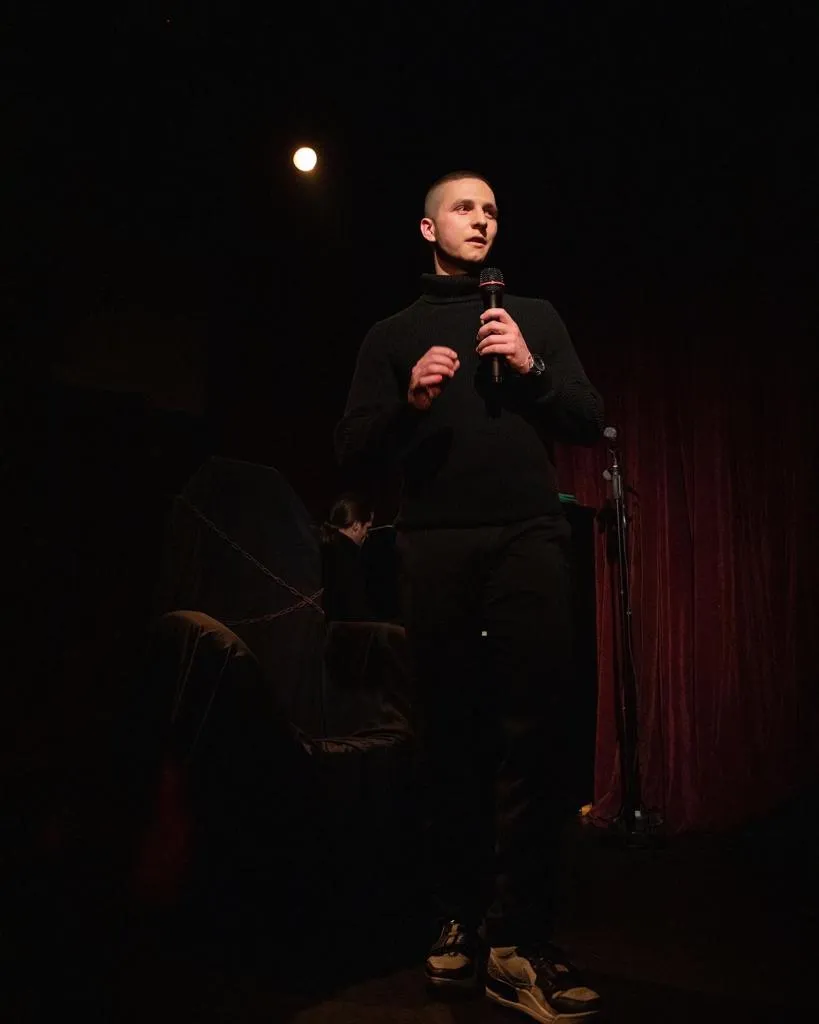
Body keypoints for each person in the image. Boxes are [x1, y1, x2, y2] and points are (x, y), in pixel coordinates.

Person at [335, 170, 604, 1021]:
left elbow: (586, 416)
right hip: (436, 543)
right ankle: (455, 916)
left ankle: (519, 939)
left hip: (529, 532)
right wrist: (410, 401)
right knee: (447, 730)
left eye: (490, 210)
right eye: (464, 207)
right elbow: (350, 447)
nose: (481, 219)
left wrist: (528, 368)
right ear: (427, 229)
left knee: (537, 726)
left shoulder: (534, 316)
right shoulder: (391, 334)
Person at [319, 494, 375, 622]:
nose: (367, 535)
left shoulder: (322, 549)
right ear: (356, 525)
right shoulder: (348, 558)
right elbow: (354, 610)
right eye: (367, 528)